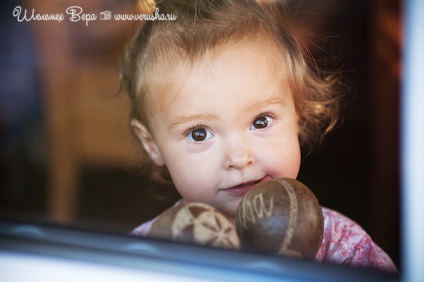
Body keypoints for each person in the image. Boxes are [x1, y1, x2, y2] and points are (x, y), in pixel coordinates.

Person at [121, 0, 397, 272]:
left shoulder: (345, 249)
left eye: (260, 121)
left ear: (297, 114)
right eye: (199, 133)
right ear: (152, 144)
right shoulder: (146, 255)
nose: (240, 158)